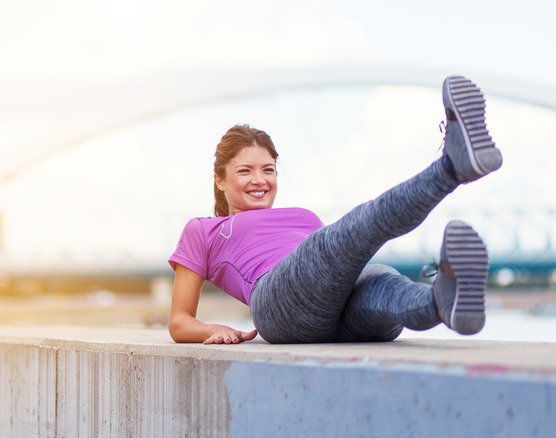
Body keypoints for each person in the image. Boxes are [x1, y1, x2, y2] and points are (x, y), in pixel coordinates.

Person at [168, 75, 503, 344]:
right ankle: (451, 167)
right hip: (280, 306)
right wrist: (211, 329)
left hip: (337, 316)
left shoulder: (305, 218)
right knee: (354, 230)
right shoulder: (204, 230)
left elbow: (336, 271)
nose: (260, 180)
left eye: (268, 169)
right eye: (245, 171)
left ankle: (440, 303)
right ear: (220, 180)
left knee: (381, 281)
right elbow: (179, 322)